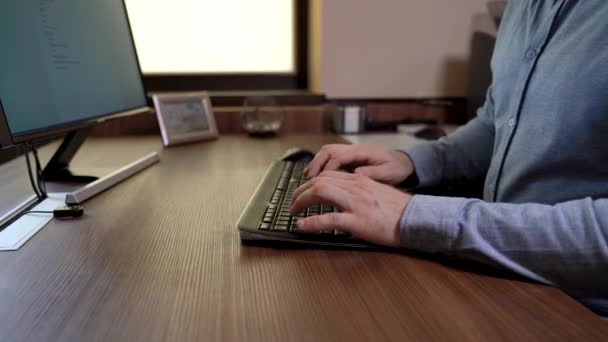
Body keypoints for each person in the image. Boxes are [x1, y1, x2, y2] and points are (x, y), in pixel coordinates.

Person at [289, 1, 608, 315]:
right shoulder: (521, 7)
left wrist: (413, 217)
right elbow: (495, 124)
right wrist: (411, 161)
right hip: (504, 280)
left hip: (580, 311)